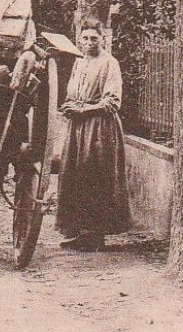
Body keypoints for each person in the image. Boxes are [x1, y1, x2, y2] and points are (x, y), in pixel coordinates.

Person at [56, 19, 131, 251]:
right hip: (78, 127)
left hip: (100, 128)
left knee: (95, 177)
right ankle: (80, 232)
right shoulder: (79, 61)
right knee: (74, 175)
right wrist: (68, 106)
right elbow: (72, 92)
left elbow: (112, 101)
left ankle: (95, 235)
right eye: (85, 38)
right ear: (79, 38)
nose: (89, 43)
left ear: (103, 39)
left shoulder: (110, 63)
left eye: (94, 39)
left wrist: (83, 110)